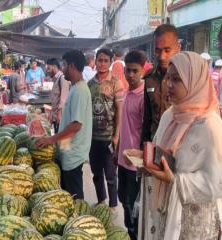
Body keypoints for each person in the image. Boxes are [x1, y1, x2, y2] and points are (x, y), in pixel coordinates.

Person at [126, 51, 222, 240]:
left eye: (177, 79)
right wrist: (144, 159)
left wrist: (175, 180)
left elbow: (216, 182)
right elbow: (161, 155)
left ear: (195, 81)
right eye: (168, 78)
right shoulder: (170, 115)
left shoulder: (210, 125)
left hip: (194, 223)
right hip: (165, 211)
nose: (168, 84)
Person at [37, 50, 92, 199]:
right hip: (68, 151)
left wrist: (51, 139)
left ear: (72, 66)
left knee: (74, 197)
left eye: (64, 64)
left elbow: (76, 125)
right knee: (68, 194)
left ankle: (77, 221)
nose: (62, 68)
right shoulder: (75, 87)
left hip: (74, 154)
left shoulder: (80, 91)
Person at [88, 48, 124, 211]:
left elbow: (120, 110)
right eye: (99, 60)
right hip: (93, 138)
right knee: (96, 173)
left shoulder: (116, 83)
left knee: (110, 174)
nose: (102, 64)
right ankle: (101, 200)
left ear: (110, 63)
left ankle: (113, 205)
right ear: (95, 61)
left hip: (109, 136)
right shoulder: (90, 84)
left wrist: (117, 135)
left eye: (105, 61)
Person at [117, 50, 146, 240]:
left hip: (135, 164)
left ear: (143, 70)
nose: (131, 75)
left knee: (132, 205)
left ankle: (134, 235)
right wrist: (117, 150)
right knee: (124, 200)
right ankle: (130, 233)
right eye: (128, 70)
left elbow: (145, 133)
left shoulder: (144, 97)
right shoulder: (127, 93)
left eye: (135, 71)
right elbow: (124, 125)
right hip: (122, 160)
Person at [141, 24, 181, 144]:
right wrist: (144, 147)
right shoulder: (149, 78)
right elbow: (147, 118)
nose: (162, 56)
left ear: (178, 47)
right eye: (157, 50)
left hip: (178, 146)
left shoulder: (188, 78)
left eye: (167, 50)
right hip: (155, 142)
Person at [46, 58, 70, 133]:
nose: (47, 71)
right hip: (55, 117)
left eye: (49, 68)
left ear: (54, 66)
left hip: (60, 118)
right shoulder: (56, 79)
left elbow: (64, 98)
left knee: (61, 140)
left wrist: (59, 115)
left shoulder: (62, 78)